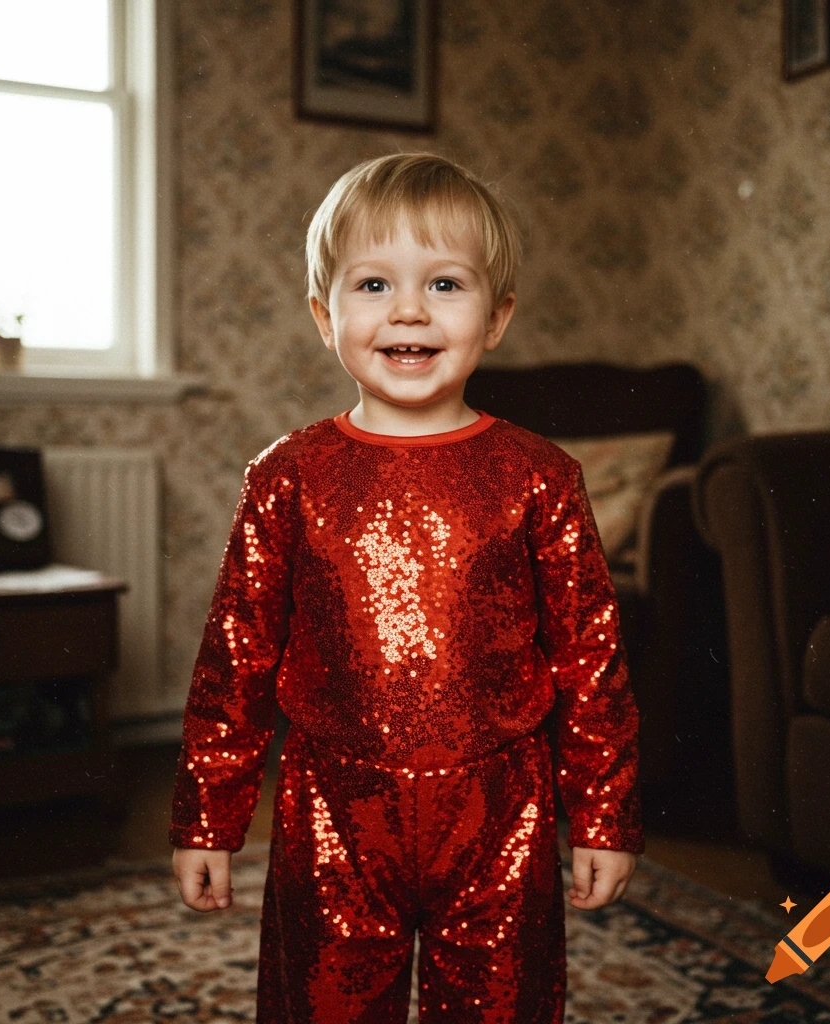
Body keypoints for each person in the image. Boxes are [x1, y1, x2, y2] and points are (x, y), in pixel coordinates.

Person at [171, 152, 644, 1023]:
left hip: (505, 808)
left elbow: (591, 658)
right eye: (375, 284)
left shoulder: (539, 475)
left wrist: (604, 818)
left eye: (447, 285)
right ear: (325, 315)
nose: (411, 310)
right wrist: (210, 816)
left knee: (504, 1007)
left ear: (497, 317)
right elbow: (234, 655)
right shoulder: (289, 475)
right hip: (332, 809)